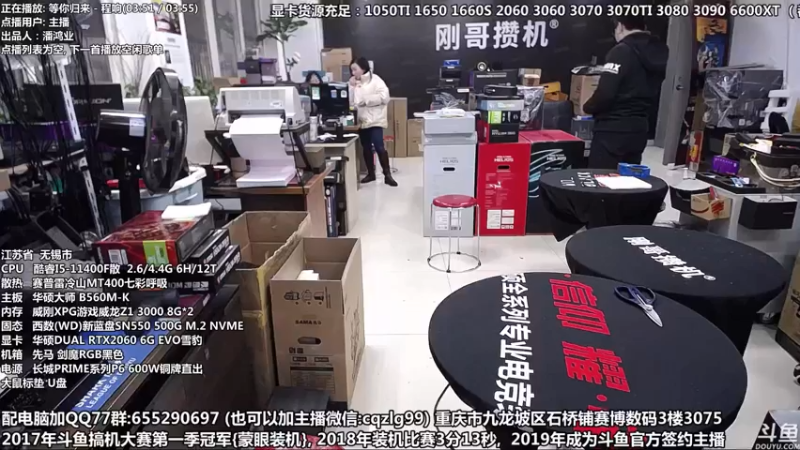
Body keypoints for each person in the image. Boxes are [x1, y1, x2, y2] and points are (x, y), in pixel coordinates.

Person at [583, 15, 669, 169]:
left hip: (612, 130)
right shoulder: (659, 52)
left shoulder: (621, 51)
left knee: (600, 178)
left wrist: (588, 107)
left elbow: (605, 93)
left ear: (621, 26)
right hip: (639, 128)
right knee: (628, 178)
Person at [349, 57, 397, 186]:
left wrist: (367, 100)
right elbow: (351, 101)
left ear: (363, 68)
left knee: (379, 146)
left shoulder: (376, 80)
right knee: (366, 147)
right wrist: (351, 87)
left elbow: (385, 97)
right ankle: (371, 174)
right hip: (361, 120)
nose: (353, 72)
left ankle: (387, 175)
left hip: (375, 120)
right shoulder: (353, 83)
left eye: (355, 69)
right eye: (351, 70)